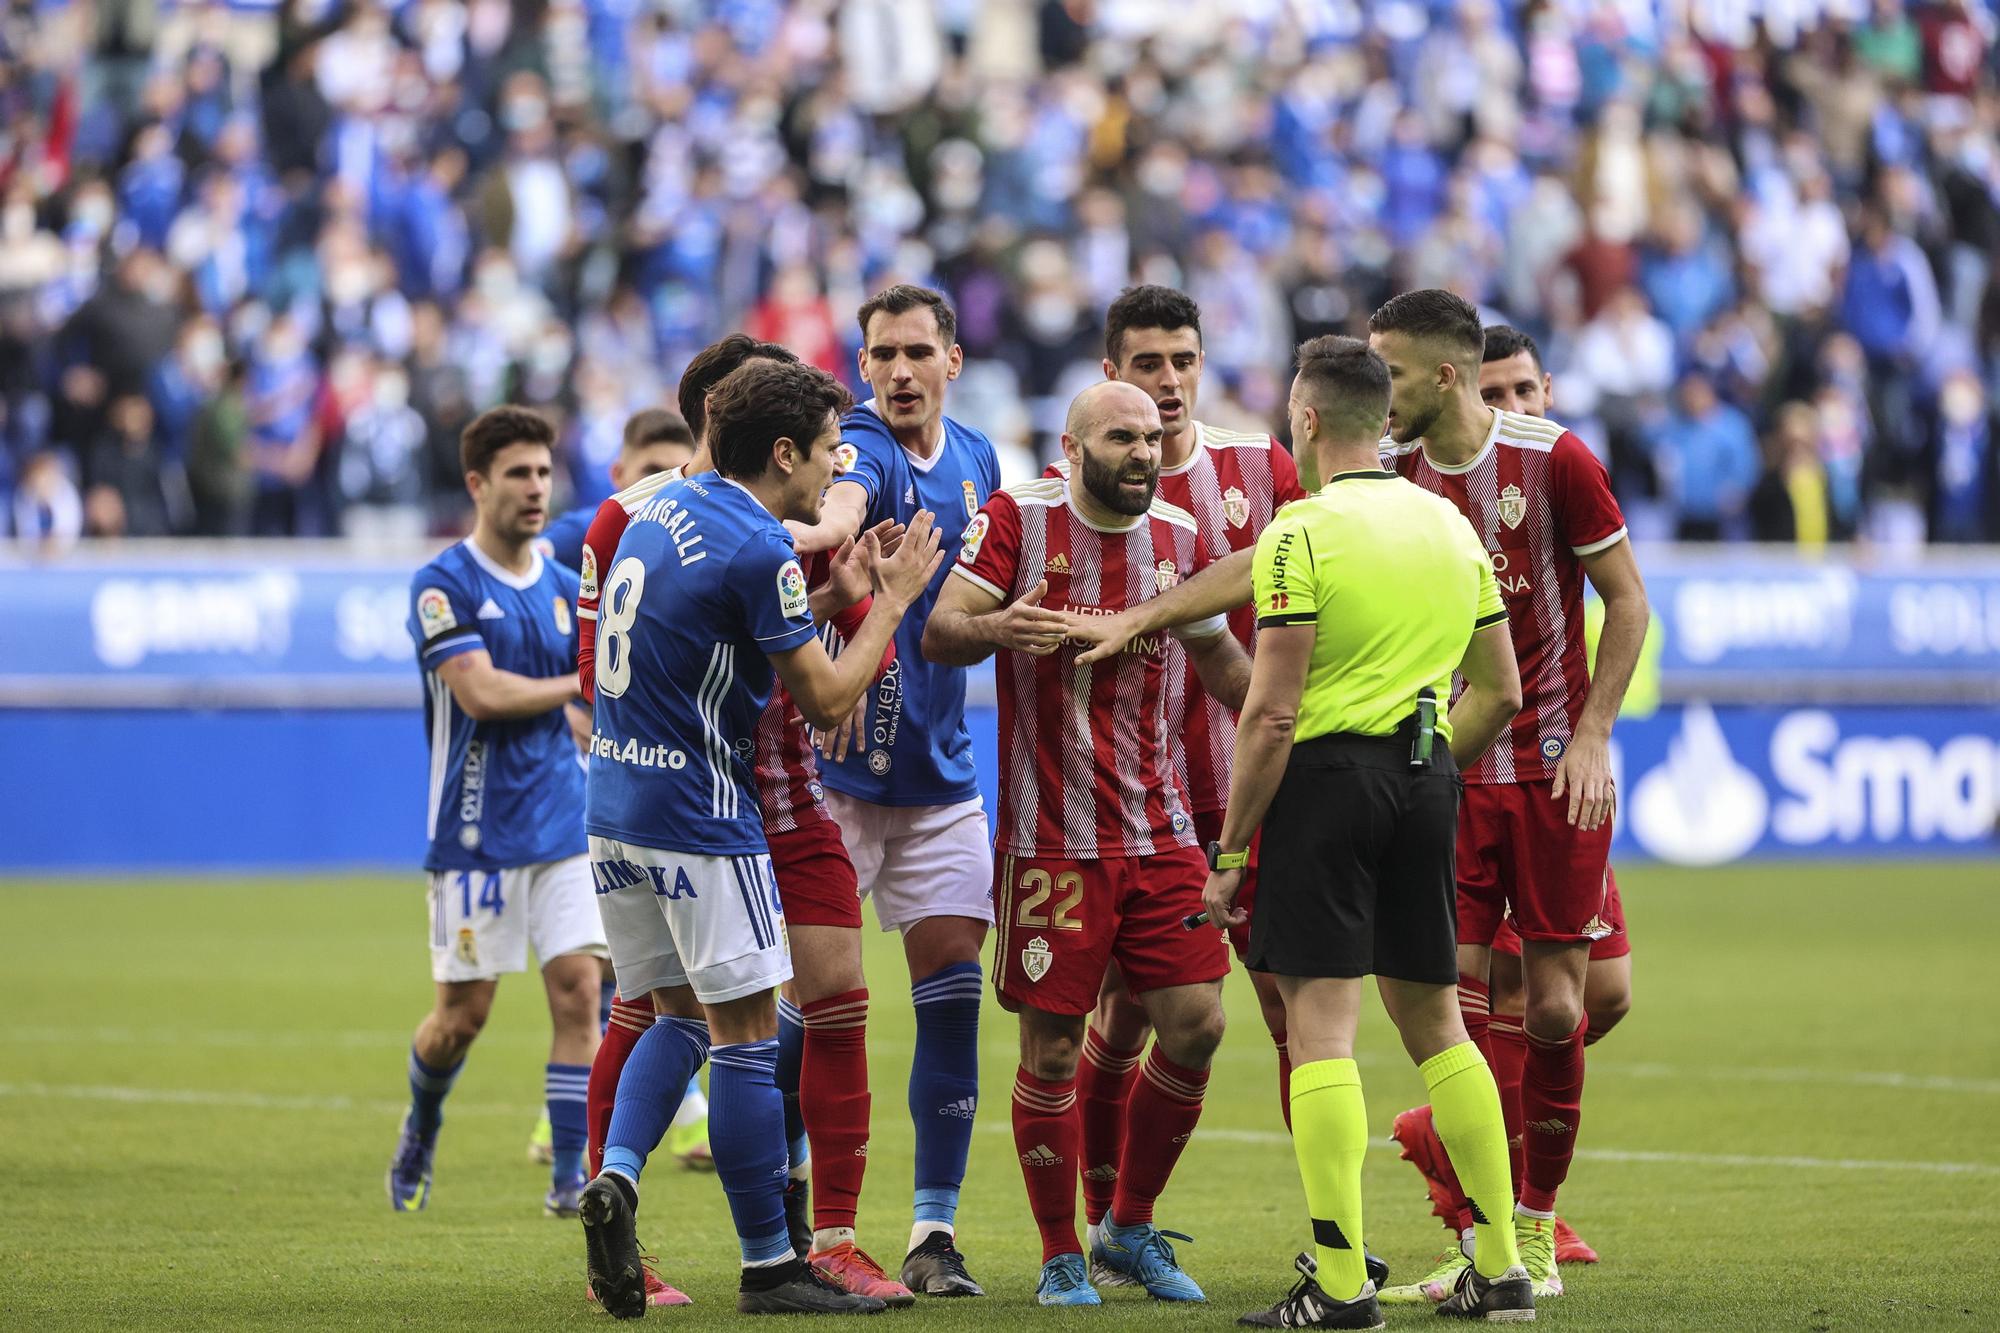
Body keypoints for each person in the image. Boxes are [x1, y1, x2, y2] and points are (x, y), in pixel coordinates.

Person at [576, 358, 943, 1317]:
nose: (835, 473)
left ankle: (616, 1174)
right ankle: (771, 1266)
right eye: (827, 452)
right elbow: (823, 692)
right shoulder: (756, 543)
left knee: (675, 1017)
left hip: (615, 811)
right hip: (704, 814)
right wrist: (893, 598)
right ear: (782, 452)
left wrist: (832, 597)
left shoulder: (657, 510)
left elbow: (721, 631)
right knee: (742, 1033)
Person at [1206, 336, 1532, 1327]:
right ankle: (1505, 1266)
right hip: (1426, 774)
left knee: (1320, 1033)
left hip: (1326, 780)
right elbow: (1504, 689)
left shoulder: (1296, 536)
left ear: (1304, 421)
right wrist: (1422, 770)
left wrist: (1227, 854)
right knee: (1439, 1025)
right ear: (1379, 420)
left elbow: (1267, 713)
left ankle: (1342, 1284)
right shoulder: (1447, 525)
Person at [924, 380, 1251, 1307]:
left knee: (1197, 1024)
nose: (1145, 453)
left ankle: (1128, 1226)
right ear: (1072, 447)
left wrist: (1286, 721)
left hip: (1163, 831)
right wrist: (999, 626)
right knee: (1055, 1050)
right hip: (1051, 841)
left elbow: (1221, 657)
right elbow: (943, 630)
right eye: (1122, 438)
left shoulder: (1184, 539)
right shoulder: (1017, 520)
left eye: (1152, 438)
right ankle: (1060, 1250)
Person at [1371, 292, 1648, 1303]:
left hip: (1545, 776)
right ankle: (1486, 1239)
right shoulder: (1385, 475)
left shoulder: (1553, 459)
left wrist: (1591, 733)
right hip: (1438, 778)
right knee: (1448, 1009)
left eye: (1391, 373)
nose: (1379, 393)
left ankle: (1531, 1227)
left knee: (1561, 1009)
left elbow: (1626, 597)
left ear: (1439, 377)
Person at [1050, 287, 1309, 1280]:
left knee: (1290, 1004)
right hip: (1132, 802)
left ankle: (1323, 1224)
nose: (1165, 382)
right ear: (1110, 372)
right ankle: (1104, 1223)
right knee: (1122, 1015)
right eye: (1145, 363)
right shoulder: (1078, 475)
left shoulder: (1257, 465)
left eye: (1181, 361)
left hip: (1252, 782)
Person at [808, 284, 1002, 1296]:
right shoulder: (860, 446)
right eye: (879, 354)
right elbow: (840, 500)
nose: (895, 372)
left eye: (914, 353)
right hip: (834, 784)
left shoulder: (977, 460)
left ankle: (933, 1233)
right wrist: (830, 529)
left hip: (935, 782)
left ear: (951, 361)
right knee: (816, 1007)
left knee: (953, 1003)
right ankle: (815, 1217)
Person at [389, 406, 609, 1219]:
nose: (536, 487)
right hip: (475, 832)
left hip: (561, 824)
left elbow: (580, 712)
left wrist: (595, 713)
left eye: (545, 472)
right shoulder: (443, 583)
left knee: (579, 989)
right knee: (461, 1017)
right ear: (477, 483)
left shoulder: (560, 585)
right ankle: (423, 1121)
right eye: (519, 473)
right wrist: (574, 689)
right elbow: (479, 693)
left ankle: (568, 1175)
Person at [539, 408, 696, 571]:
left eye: (679, 474)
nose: (665, 485)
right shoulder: (578, 535)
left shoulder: (702, 547)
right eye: (653, 472)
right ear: (618, 475)